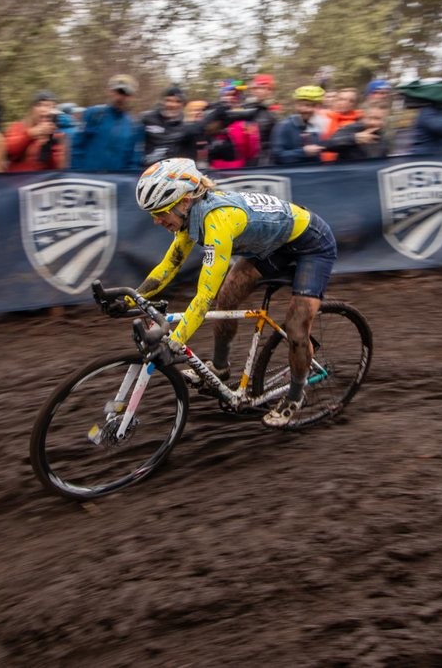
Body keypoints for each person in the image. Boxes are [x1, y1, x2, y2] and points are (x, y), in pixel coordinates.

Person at [131, 158, 338, 428]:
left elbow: (203, 296)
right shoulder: (190, 214)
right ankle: (219, 367)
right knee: (227, 297)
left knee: (297, 328)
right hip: (272, 247)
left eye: (161, 213)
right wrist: (130, 297)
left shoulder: (218, 221)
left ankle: (295, 395)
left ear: (184, 202)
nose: (157, 221)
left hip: (312, 245)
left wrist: (174, 342)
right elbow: (169, 265)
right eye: (153, 215)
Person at [72, 74, 143, 171]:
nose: (122, 97)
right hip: (87, 179)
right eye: (120, 92)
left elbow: (133, 160)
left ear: (132, 97)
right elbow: (76, 146)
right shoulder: (94, 114)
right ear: (110, 92)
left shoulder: (134, 125)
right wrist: (76, 172)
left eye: (127, 94)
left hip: (115, 183)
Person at [6, 93, 66, 171]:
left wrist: (48, 144)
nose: (47, 110)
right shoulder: (18, 127)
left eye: (52, 107)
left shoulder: (57, 136)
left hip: (42, 181)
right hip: (18, 180)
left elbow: (57, 168)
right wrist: (30, 134)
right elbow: (8, 152)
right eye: (42, 105)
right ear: (32, 109)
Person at [141, 85, 201, 163]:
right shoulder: (147, 119)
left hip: (172, 172)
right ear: (162, 101)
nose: (172, 105)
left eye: (177, 101)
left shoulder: (187, 129)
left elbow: (191, 160)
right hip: (146, 170)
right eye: (168, 100)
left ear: (183, 105)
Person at [270, 85, 326, 165]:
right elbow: (277, 156)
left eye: (312, 106)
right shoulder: (283, 126)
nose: (307, 109)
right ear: (296, 105)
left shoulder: (316, 125)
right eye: (304, 105)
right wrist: (303, 152)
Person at [323, 103, 391, 161]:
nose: (372, 122)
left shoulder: (384, 138)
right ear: (363, 117)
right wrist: (354, 138)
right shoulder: (352, 128)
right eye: (370, 118)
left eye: (377, 119)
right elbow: (327, 145)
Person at [319, 88, 361, 162]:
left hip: (343, 163)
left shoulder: (358, 121)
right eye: (342, 99)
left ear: (355, 104)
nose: (345, 103)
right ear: (335, 100)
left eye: (351, 101)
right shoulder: (321, 117)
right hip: (318, 162)